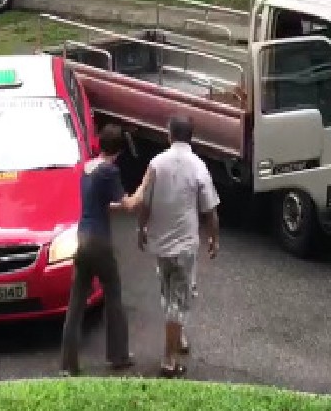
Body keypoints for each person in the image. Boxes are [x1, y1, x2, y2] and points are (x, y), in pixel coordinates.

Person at [59, 123, 146, 377]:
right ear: (118, 150)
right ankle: (118, 355)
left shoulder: (88, 169)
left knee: (76, 303)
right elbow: (128, 205)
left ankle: (69, 363)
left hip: (82, 237)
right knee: (113, 296)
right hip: (100, 241)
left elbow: (104, 205)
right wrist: (145, 184)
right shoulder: (109, 170)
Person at [137, 115, 220, 378]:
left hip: (161, 245)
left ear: (169, 134)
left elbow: (145, 203)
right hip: (185, 247)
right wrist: (214, 238)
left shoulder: (156, 164)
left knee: (169, 293)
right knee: (179, 300)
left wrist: (141, 229)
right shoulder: (198, 166)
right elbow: (211, 209)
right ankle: (169, 361)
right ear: (191, 137)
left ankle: (179, 336)